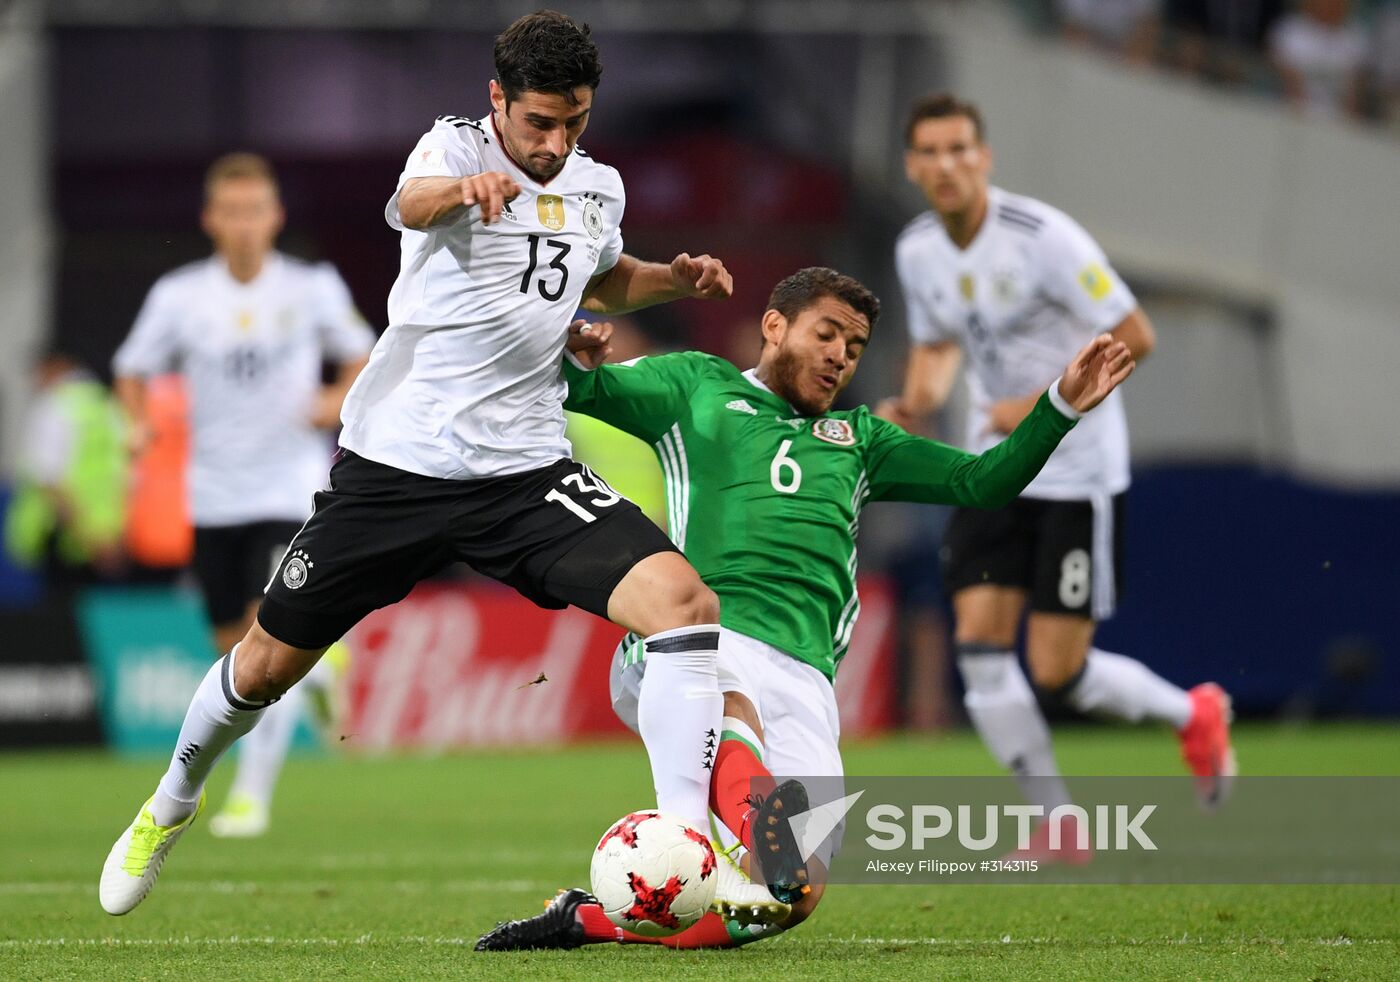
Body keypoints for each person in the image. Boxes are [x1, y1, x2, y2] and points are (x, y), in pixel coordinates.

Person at [99, 10, 736, 917]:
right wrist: (468, 190)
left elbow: (598, 275)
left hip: (523, 473)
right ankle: (171, 803)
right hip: (398, 468)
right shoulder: (450, 148)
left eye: (575, 122)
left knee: (683, 604)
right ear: (497, 101)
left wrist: (672, 276)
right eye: (538, 123)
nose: (555, 144)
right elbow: (410, 206)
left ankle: (690, 853)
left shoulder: (599, 185)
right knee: (262, 667)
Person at [474, 265, 1136, 951]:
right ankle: (764, 835)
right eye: (826, 334)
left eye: (853, 348)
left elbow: (982, 481)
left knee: (786, 902)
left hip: (805, 677)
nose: (839, 357)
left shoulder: (863, 441)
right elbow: (580, 388)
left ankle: (585, 920)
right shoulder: (696, 385)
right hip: (699, 635)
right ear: (774, 326)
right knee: (746, 751)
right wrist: (571, 354)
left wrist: (1061, 405)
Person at [877, 94, 1234, 857]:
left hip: (1076, 472)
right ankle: (1057, 821)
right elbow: (939, 342)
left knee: (1057, 670)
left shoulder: (1042, 239)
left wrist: (1037, 406)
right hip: (994, 471)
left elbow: (1137, 335)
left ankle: (1193, 713)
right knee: (976, 645)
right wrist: (919, 402)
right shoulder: (916, 250)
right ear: (912, 166)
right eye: (930, 152)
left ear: (985, 157)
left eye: (959, 149)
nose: (946, 165)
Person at [111, 152, 376, 839]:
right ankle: (315, 680)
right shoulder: (179, 296)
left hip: (288, 490)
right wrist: (137, 422)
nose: (244, 224)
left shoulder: (311, 286)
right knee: (235, 658)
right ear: (210, 220)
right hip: (213, 497)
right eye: (231, 212)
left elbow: (364, 352)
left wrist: (335, 397)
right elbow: (131, 369)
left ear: (275, 216)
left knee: (268, 635)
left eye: (255, 210)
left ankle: (251, 798)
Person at [4, 349, 127, 590]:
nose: (35, 379)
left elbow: (48, 481)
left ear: (59, 366)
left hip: (62, 534)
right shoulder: (107, 404)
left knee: (61, 619)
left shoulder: (54, 406)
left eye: (39, 370)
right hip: (107, 537)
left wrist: (87, 539)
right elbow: (124, 475)